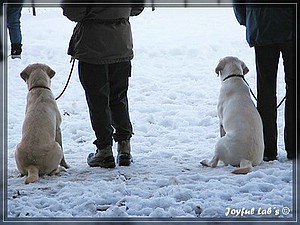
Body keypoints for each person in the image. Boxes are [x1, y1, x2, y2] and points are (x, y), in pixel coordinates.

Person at [61, 2, 144, 168]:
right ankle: (124, 147)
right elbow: (137, 8)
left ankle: (104, 151)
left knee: (97, 101)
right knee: (119, 97)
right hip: (121, 44)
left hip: (93, 47)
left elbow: (74, 12)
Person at [233, 2, 296, 161]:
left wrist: (249, 18)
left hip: (261, 22)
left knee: (265, 90)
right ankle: (294, 147)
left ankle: (267, 149)